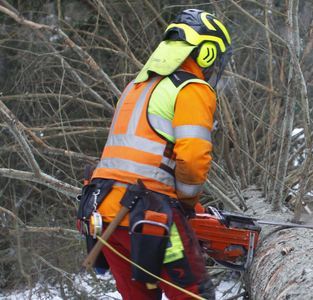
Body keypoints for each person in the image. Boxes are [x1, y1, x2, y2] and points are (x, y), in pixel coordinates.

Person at [82, 9, 232, 300]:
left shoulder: (136, 86)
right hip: (149, 213)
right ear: (207, 53)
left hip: (102, 211)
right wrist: (187, 204)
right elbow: (194, 157)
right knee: (193, 295)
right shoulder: (191, 88)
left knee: (139, 297)